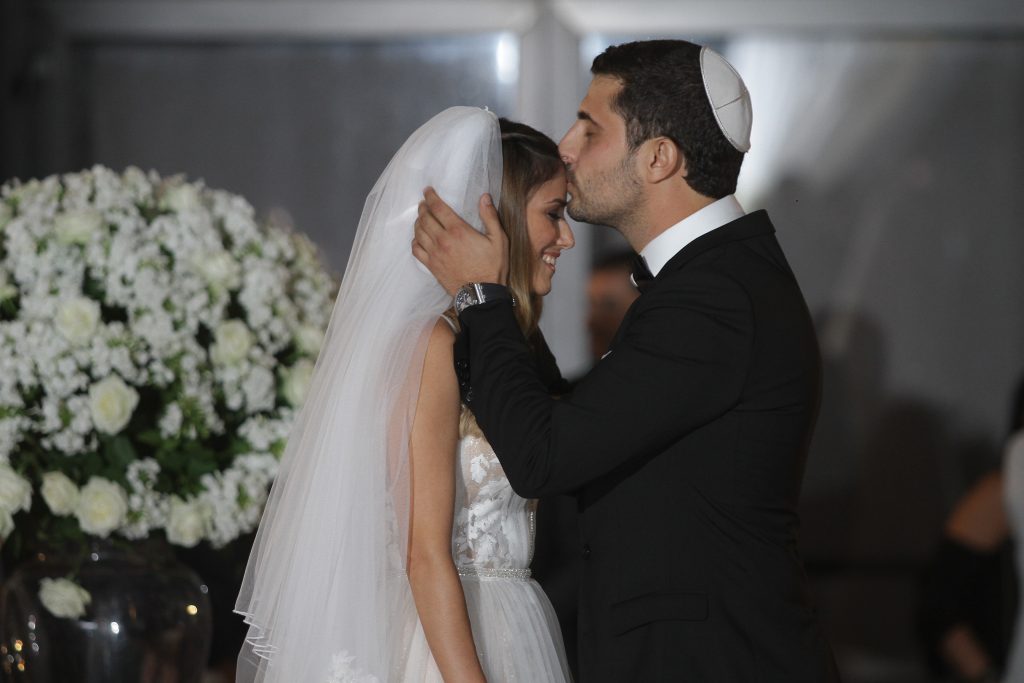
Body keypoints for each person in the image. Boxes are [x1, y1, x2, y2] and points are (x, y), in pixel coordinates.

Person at [413, 40, 839, 681]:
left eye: (590, 128)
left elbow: (545, 456)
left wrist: (482, 296)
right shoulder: (715, 280)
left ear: (659, 158)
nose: (566, 147)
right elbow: (581, 421)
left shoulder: (715, 297)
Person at [234, 108, 574, 682]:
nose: (566, 237)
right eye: (553, 214)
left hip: (514, 627)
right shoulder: (432, 344)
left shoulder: (511, 350)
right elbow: (423, 553)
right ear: (499, 217)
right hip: (441, 645)